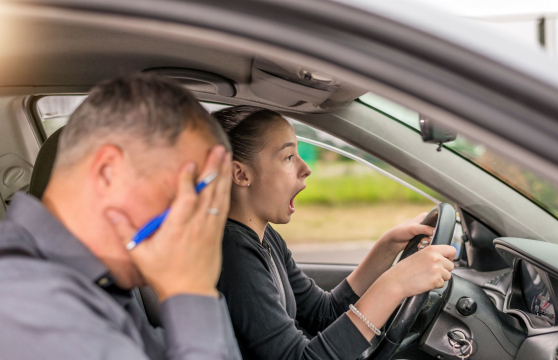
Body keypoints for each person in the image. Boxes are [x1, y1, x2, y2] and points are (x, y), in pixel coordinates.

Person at [0, 74, 241, 360]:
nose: (196, 222)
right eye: (187, 195)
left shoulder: (98, 285)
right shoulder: (26, 301)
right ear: (108, 172)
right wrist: (191, 291)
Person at [213, 105, 456, 360]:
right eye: (288, 157)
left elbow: (323, 313)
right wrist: (394, 285)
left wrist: (389, 245)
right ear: (241, 174)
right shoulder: (232, 252)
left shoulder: (264, 237)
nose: (306, 167)